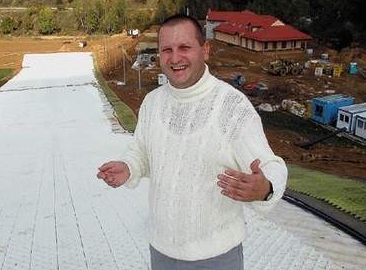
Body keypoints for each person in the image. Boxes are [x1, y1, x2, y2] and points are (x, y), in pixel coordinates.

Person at [97, 14, 287, 270]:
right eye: (167, 50)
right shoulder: (152, 103)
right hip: (162, 252)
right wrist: (129, 167)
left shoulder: (231, 106)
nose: (175, 59)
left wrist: (266, 187)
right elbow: (142, 151)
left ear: (205, 50)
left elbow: (270, 165)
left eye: (184, 47)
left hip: (215, 257)